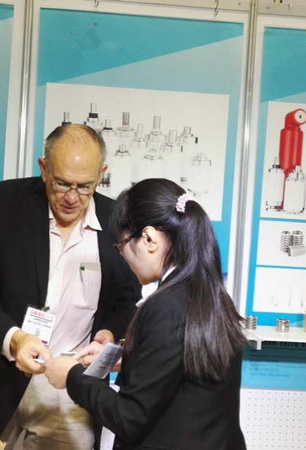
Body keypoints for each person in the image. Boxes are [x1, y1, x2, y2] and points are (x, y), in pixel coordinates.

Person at [0, 124, 141, 449]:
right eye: (61, 183)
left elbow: (127, 300)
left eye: (85, 186)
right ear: (44, 168)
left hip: (70, 393)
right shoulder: (4, 204)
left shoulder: (118, 221)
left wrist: (109, 333)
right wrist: (15, 340)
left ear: (102, 174)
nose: (71, 197)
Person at [44, 179, 247, 450]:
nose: (124, 257)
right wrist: (125, 359)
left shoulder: (167, 305)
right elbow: (185, 371)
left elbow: (129, 417)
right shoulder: (212, 296)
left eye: (122, 245)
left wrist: (72, 376)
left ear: (149, 239)